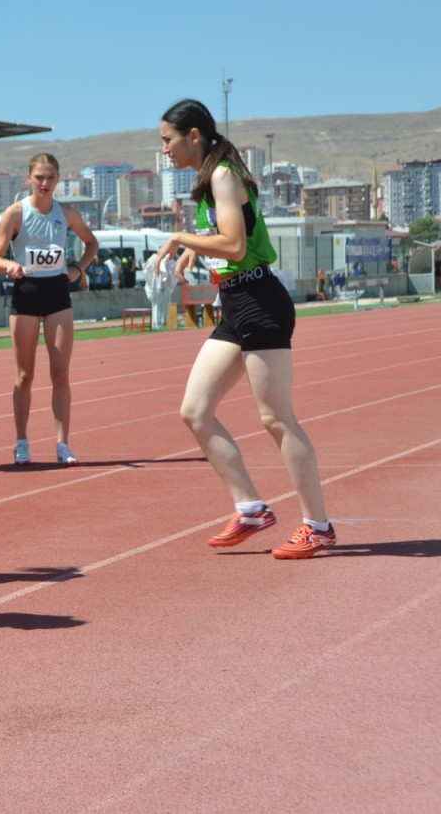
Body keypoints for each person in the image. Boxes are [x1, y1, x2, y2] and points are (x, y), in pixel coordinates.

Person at [153, 98, 335, 559]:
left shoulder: (222, 174)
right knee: (195, 410)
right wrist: (199, 248)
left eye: (167, 140)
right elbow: (231, 238)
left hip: (260, 303)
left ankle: (318, 525)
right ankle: (251, 507)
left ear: (194, 135)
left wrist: (180, 238)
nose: (164, 150)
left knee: (276, 418)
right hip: (236, 305)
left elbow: (234, 244)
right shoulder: (208, 179)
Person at [0, 153, 98, 466]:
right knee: (25, 375)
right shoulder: (15, 213)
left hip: (58, 295)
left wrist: (78, 268)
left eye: (50, 177)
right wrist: (9, 264)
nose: (45, 183)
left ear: (58, 179)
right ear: (29, 179)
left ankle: (63, 444)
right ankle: (21, 442)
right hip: (26, 294)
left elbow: (92, 244)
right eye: (39, 178)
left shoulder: (67, 213)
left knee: (60, 374)